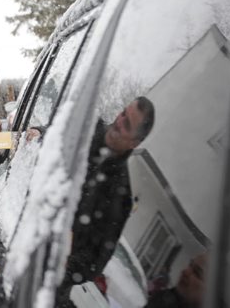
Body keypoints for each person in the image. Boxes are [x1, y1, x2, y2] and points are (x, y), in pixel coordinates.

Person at [55, 96, 155, 307]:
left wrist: (61, 266)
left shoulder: (118, 197)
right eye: (122, 114)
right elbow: (53, 134)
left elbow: (93, 263)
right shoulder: (85, 128)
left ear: (134, 143)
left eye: (127, 124)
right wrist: (37, 133)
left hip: (47, 286)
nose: (118, 122)